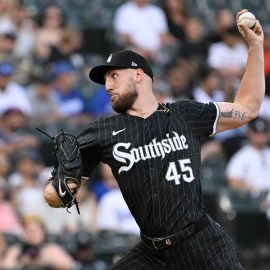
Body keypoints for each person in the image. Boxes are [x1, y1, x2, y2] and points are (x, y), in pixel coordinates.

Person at [50, 10, 264, 269]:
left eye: (114, 75)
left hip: (202, 243)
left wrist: (255, 46)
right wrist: (61, 189)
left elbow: (248, 107)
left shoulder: (185, 114)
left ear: (138, 75)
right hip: (152, 252)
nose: (107, 85)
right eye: (105, 80)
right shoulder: (101, 131)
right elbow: (54, 195)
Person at [1, 215, 75, 270]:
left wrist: (47, 262)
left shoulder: (51, 249)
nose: (30, 234)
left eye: (33, 231)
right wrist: (22, 262)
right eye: (27, 230)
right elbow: (4, 266)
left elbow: (70, 265)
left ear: (42, 231)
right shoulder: (17, 250)